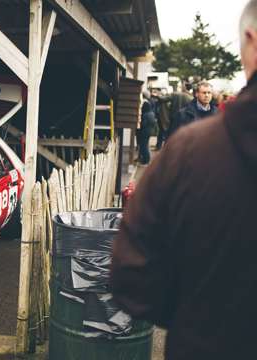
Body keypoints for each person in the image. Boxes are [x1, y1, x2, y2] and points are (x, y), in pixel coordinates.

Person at [110, 1, 257, 359]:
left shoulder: (189, 153)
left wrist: (197, 318)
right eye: (203, 92)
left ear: (251, 41)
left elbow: (131, 276)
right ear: (196, 94)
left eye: (210, 92)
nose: (206, 95)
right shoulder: (185, 127)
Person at [136, 93, 156, 165]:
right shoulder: (152, 113)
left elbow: (143, 124)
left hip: (144, 132)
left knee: (143, 146)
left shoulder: (145, 114)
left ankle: (146, 160)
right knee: (145, 145)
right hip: (149, 131)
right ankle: (146, 159)